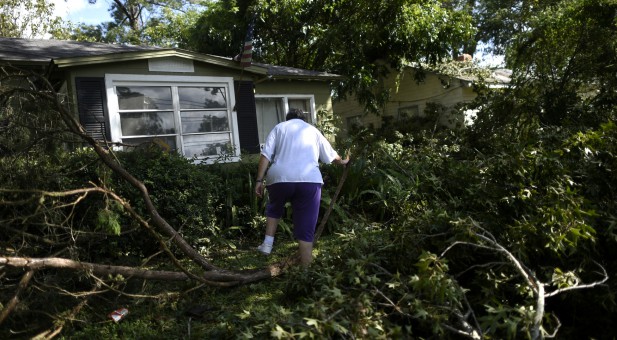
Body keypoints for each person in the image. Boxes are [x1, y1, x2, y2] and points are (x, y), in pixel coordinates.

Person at [254, 108, 349, 265]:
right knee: (306, 227)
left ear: (287, 118)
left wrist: (259, 181)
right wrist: (344, 161)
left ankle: (267, 243)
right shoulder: (312, 130)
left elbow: (265, 155)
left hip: (279, 177)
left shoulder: (279, 128)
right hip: (309, 180)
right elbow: (332, 157)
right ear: (303, 119)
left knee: (275, 206)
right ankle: (306, 271)